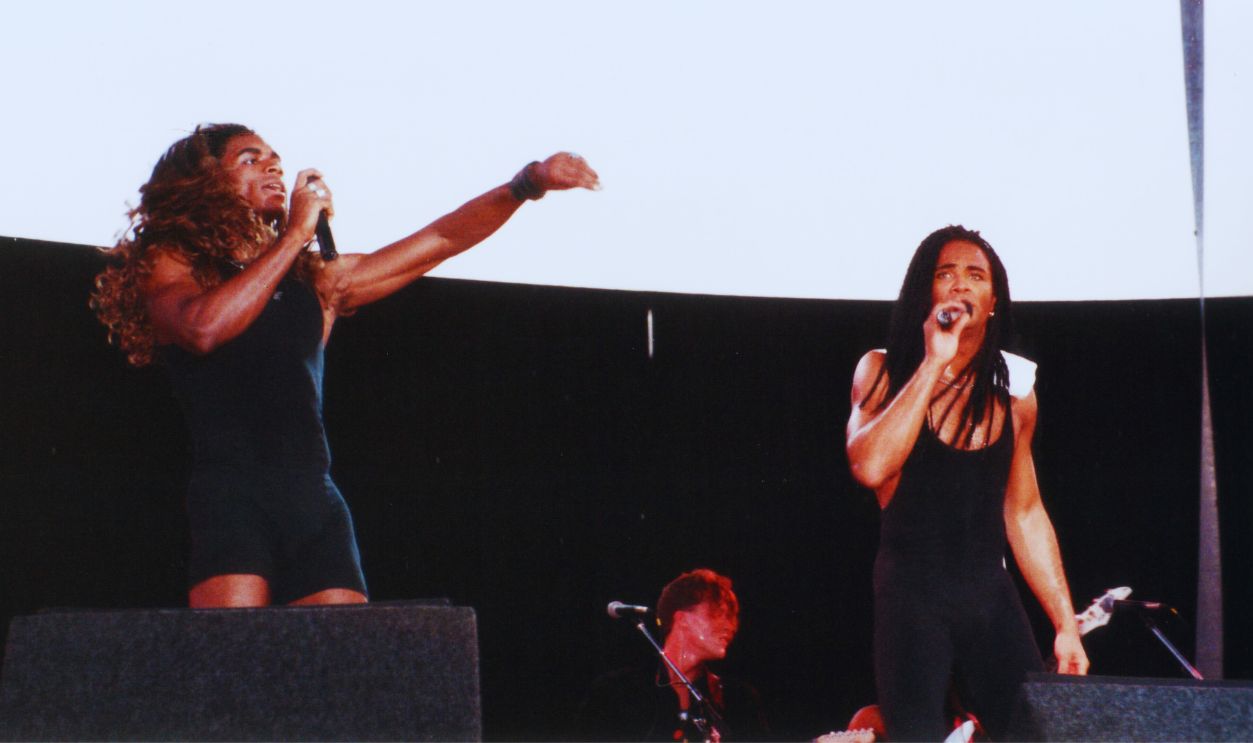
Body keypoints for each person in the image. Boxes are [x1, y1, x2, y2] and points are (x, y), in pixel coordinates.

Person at [91, 123, 599, 608]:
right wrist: (293, 235)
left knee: (343, 669)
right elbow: (203, 329)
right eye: (251, 160)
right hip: (232, 499)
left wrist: (526, 183)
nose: (273, 170)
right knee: (236, 668)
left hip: (314, 498)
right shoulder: (171, 260)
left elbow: (441, 240)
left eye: (276, 161)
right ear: (204, 183)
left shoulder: (316, 281)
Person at [844, 225, 1088, 741]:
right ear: (925, 293)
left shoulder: (1015, 393)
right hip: (911, 593)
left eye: (975, 275)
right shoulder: (884, 371)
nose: (960, 285)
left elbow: (1024, 512)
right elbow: (868, 466)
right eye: (946, 274)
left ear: (993, 301)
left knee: (1032, 731)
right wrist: (936, 359)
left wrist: (1065, 624)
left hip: (986, 592)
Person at [575, 569, 769, 742]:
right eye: (718, 613)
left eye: (733, 616)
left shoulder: (740, 699)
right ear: (682, 618)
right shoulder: (616, 692)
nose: (730, 625)